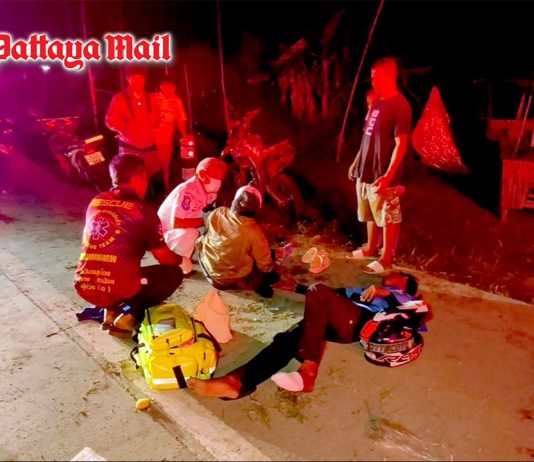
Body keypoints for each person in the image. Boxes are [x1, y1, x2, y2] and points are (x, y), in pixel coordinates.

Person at [188, 271, 419, 399]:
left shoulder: (405, 297)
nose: (391, 274)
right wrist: (296, 288)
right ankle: (237, 382)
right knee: (289, 340)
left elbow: (417, 313)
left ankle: (309, 370)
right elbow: (331, 297)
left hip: (361, 322)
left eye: (398, 274)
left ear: (405, 283)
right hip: (339, 322)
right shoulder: (360, 290)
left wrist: (387, 295)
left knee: (317, 290)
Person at [73, 154, 183, 337]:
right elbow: (165, 259)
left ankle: (110, 310)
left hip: (86, 284)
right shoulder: (143, 211)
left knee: (120, 268)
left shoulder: (96, 201)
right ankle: (127, 315)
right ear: (139, 178)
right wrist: (180, 258)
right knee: (172, 274)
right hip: (117, 287)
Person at [347, 57, 412, 274]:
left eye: (377, 78)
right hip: (366, 170)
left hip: (383, 172)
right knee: (369, 212)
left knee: (388, 215)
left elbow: (401, 145)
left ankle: (386, 259)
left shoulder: (400, 106)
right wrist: (357, 162)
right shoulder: (377, 103)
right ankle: (370, 248)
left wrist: (388, 175)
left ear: (390, 77)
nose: (373, 82)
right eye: (372, 78)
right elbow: (367, 136)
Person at [197, 185, 279, 298]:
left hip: (208, 269)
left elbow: (207, 233)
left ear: (234, 201)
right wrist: (270, 270)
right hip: (227, 280)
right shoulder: (254, 232)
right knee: (265, 268)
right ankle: (250, 284)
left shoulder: (218, 212)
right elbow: (264, 265)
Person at [157, 157, 227, 276]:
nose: (219, 181)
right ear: (203, 175)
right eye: (217, 177)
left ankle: (196, 258)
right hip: (165, 236)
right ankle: (180, 268)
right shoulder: (186, 191)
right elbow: (177, 223)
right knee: (191, 233)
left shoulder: (207, 189)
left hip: (182, 228)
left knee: (217, 226)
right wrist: (205, 221)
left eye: (221, 178)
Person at [105, 65, 161, 179]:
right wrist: (123, 128)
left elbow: (157, 120)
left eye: (141, 79)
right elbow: (109, 121)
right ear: (128, 79)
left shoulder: (151, 98)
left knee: (154, 178)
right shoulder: (119, 98)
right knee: (129, 179)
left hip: (149, 148)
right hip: (129, 148)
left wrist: (155, 121)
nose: (138, 82)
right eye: (134, 79)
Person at [152, 73, 189, 193]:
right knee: (150, 168)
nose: (169, 89)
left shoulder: (177, 101)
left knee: (165, 167)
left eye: (171, 86)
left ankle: (165, 191)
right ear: (161, 86)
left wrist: (185, 136)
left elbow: (181, 120)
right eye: (166, 86)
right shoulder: (153, 98)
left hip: (165, 141)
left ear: (175, 88)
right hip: (149, 142)